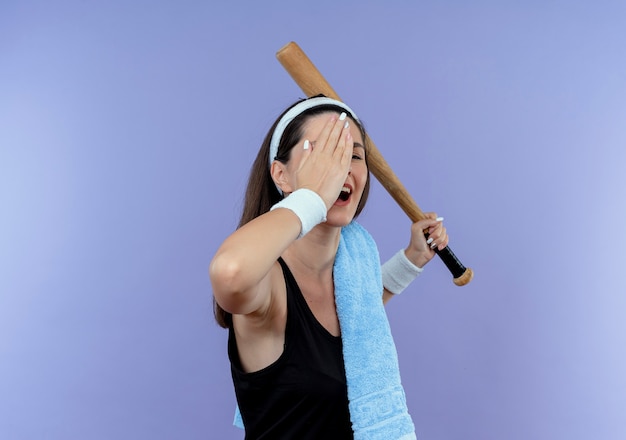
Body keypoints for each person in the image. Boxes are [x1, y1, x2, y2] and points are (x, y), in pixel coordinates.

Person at [209, 95, 449, 439]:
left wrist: (409, 261)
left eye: (353, 155)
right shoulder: (268, 282)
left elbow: (355, 309)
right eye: (324, 155)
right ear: (281, 175)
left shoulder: (351, 265)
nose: (340, 168)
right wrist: (312, 198)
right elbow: (230, 272)